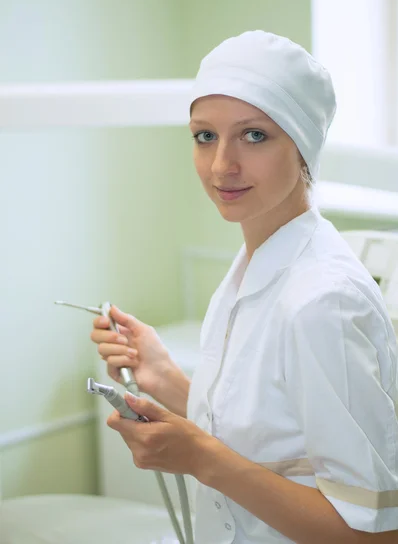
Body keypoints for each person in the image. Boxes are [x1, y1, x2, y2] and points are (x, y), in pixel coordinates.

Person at [90, 30, 398, 544]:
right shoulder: (253, 266)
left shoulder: (323, 302)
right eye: (205, 136)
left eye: (254, 135)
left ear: (303, 143)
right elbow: (272, 439)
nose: (221, 166)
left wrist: (203, 459)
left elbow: (375, 534)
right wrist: (164, 376)